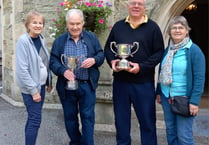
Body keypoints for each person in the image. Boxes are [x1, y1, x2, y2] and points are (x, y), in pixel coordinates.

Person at [104, 0, 165, 144]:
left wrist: (141, 67)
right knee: (121, 122)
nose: (136, 6)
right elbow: (108, 48)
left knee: (147, 123)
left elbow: (158, 52)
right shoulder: (118, 26)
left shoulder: (153, 27)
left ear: (145, 7)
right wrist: (112, 61)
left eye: (139, 4)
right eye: (133, 3)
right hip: (120, 83)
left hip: (143, 84)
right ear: (128, 6)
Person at [49, 9, 104, 145]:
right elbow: (53, 61)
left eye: (78, 24)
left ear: (83, 23)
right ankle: (75, 142)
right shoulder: (60, 41)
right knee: (70, 118)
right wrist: (63, 71)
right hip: (67, 87)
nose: (75, 27)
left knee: (88, 117)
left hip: (87, 85)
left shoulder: (91, 38)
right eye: (72, 24)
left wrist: (94, 60)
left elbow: (101, 54)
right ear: (67, 24)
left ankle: (87, 143)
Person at [156, 16, 205, 145]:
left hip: (185, 99)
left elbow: (199, 79)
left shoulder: (194, 51)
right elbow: (162, 72)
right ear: (170, 31)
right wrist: (159, 92)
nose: (177, 30)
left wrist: (194, 101)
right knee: (171, 132)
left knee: (184, 136)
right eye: (174, 28)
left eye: (180, 28)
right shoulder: (168, 50)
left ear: (186, 31)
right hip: (167, 97)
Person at [15, 11, 53, 145]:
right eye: (34, 22)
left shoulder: (41, 39)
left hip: (41, 86)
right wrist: (33, 90)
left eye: (40, 23)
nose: (38, 25)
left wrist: (49, 81)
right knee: (35, 119)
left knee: (33, 118)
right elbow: (22, 70)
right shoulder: (23, 41)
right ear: (28, 25)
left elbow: (44, 63)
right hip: (32, 89)